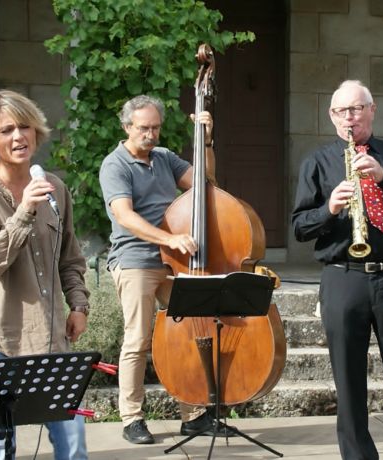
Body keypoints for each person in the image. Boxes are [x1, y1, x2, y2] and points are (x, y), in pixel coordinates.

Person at [292, 80, 383, 460]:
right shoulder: (317, 161)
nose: (349, 118)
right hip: (343, 278)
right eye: (342, 111)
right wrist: (330, 209)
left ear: (372, 110)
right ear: (331, 116)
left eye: (356, 109)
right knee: (349, 382)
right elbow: (300, 226)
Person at [0, 90, 91, 460]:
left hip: (49, 339)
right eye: (7, 130)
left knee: (75, 441)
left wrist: (79, 304)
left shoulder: (56, 188)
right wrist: (24, 211)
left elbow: (70, 257)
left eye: (25, 127)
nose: (18, 137)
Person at [100, 95, 223, 444]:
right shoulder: (115, 165)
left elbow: (205, 183)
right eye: (143, 128)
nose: (150, 134)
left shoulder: (164, 158)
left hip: (173, 262)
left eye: (155, 127)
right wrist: (169, 239)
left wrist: (207, 139)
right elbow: (125, 217)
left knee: (188, 334)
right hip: (136, 260)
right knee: (138, 340)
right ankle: (132, 418)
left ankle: (194, 415)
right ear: (127, 127)